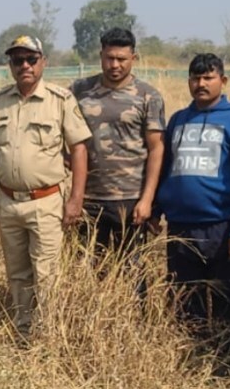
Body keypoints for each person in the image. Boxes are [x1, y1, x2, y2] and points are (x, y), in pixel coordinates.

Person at [155, 53, 230, 375]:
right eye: (195, 78)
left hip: (221, 227)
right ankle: (195, 359)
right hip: (181, 226)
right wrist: (157, 209)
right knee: (186, 296)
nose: (200, 84)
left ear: (223, 81)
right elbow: (165, 171)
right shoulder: (178, 120)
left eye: (208, 78)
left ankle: (226, 360)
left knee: (225, 297)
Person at [0, 36, 90, 344]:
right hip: (8, 200)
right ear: (11, 66)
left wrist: (75, 199)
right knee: (17, 272)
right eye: (18, 61)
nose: (25, 66)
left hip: (46, 202)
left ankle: (48, 333)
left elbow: (79, 149)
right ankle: (24, 328)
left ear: (43, 62)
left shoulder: (60, 100)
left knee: (46, 273)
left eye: (31, 59)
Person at [70, 28, 165, 261]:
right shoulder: (80, 91)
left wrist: (147, 199)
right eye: (109, 58)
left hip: (130, 200)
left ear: (133, 58)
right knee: (87, 271)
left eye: (121, 59)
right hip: (89, 199)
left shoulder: (148, 96)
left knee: (132, 273)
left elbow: (156, 149)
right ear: (101, 55)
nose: (115, 65)